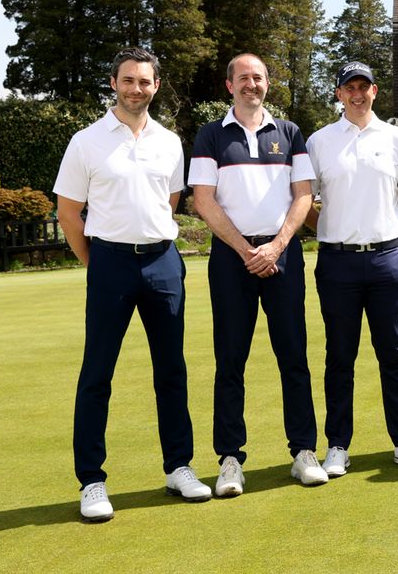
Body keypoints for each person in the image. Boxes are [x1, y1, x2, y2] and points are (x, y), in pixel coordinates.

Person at [54, 46, 211, 522]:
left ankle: (179, 466)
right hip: (110, 263)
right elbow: (67, 212)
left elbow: (171, 200)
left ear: (156, 86)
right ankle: (92, 481)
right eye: (128, 80)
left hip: (163, 262)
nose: (136, 89)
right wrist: (96, 262)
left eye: (144, 81)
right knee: (97, 372)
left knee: (172, 371)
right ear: (113, 83)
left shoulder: (169, 140)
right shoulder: (86, 141)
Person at [189, 53, 327, 496]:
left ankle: (304, 451)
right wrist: (248, 250)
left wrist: (276, 246)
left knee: (294, 358)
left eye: (259, 77)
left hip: (282, 255)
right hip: (233, 259)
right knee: (230, 360)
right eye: (243, 78)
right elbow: (204, 201)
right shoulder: (211, 135)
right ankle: (230, 460)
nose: (252, 84)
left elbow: (303, 196)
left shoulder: (289, 132)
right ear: (229, 85)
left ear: (268, 83)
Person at [305, 61, 398, 476]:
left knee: (394, 355)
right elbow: (305, 203)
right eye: (349, 88)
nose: (357, 94)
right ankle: (338, 445)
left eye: (364, 87)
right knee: (340, 356)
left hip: (386, 260)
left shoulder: (395, 138)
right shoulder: (320, 141)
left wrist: (386, 231)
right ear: (339, 94)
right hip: (337, 260)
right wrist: (329, 229)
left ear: (375, 91)